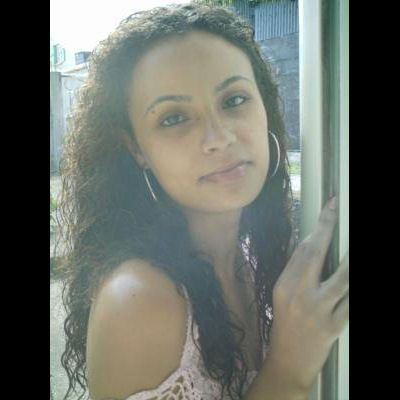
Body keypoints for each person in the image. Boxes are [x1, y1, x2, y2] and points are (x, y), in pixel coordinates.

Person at [57, 2, 349, 400]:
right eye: (173, 118)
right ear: (137, 149)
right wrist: (289, 367)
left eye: (234, 100)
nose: (220, 138)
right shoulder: (139, 299)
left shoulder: (250, 259)